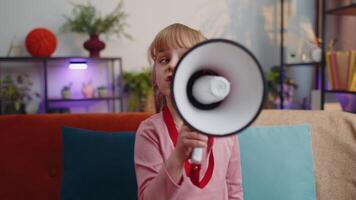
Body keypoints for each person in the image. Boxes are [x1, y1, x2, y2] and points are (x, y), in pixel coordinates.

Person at [134, 23, 243, 200]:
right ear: (155, 76)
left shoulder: (226, 130)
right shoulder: (149, 131)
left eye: (185, 58)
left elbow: (234, 190)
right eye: (163, 60)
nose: (172, 65)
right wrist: (178, 156)